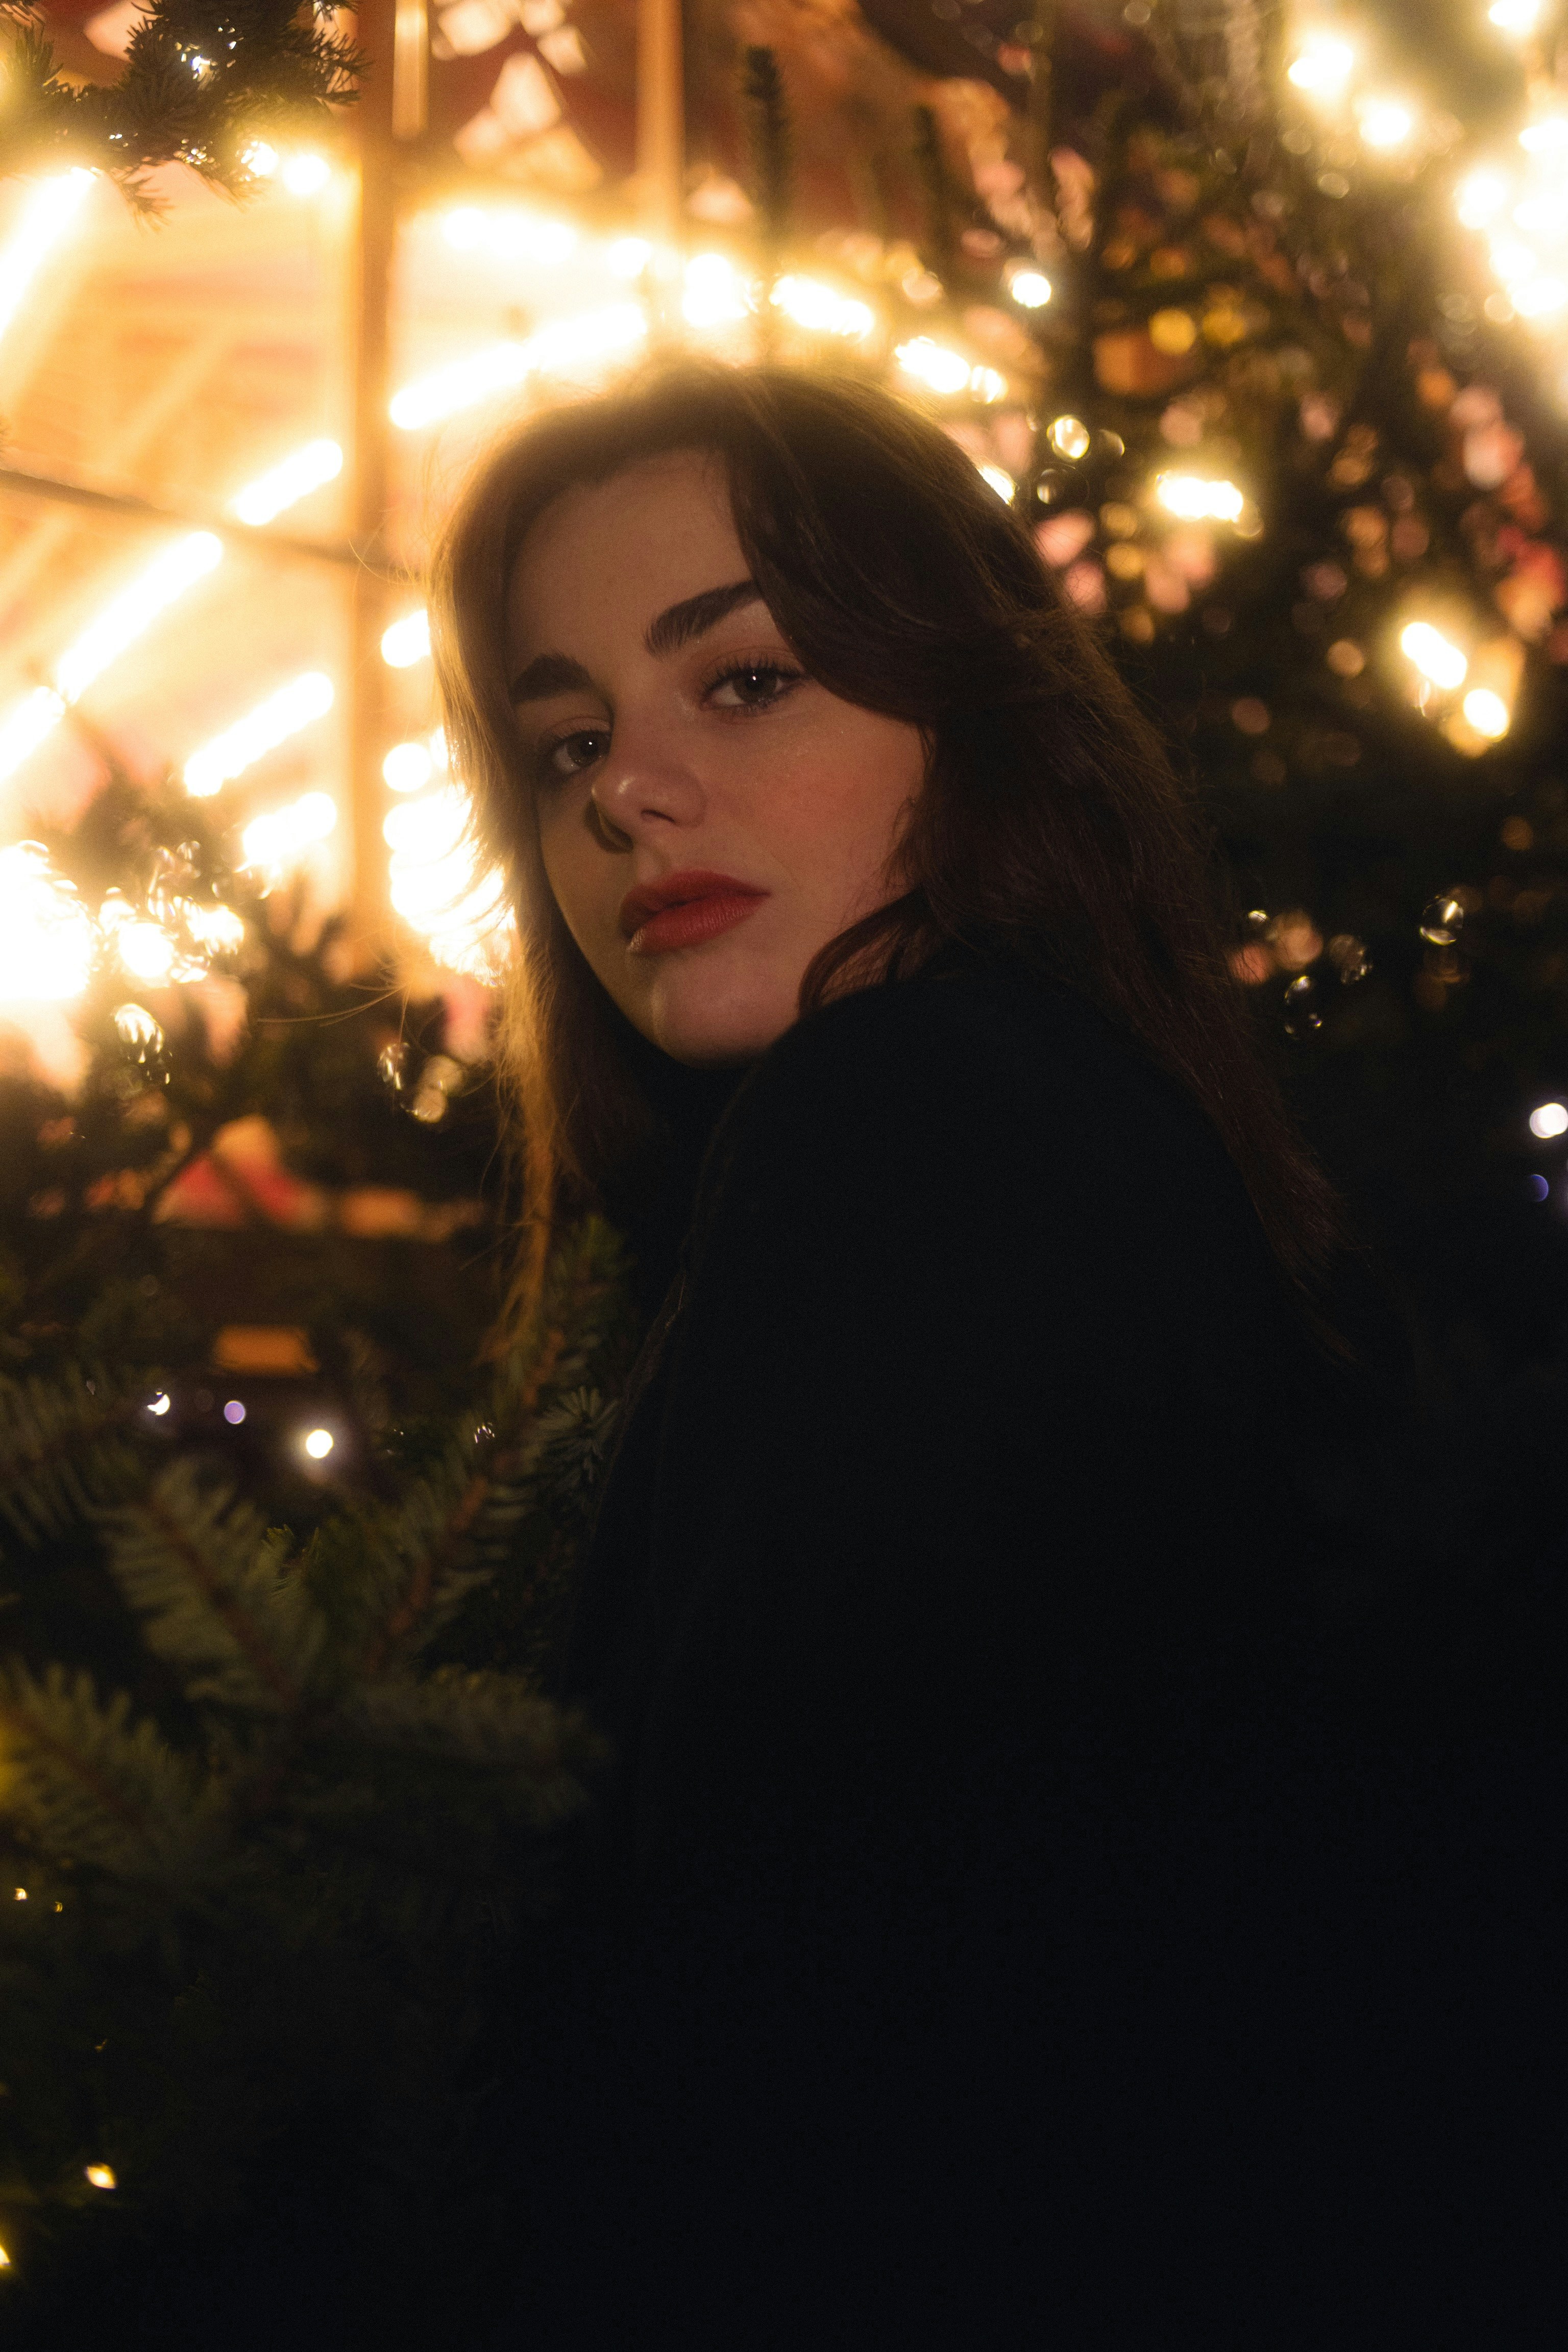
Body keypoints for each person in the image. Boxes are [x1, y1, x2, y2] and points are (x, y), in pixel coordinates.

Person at [431, 363, 1555, 2343]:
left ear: (974, 711)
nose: (625, 788)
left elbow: (798, 2041)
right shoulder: (1064, 1131)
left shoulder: (909, 1121)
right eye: (568, 738)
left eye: (748, 679)